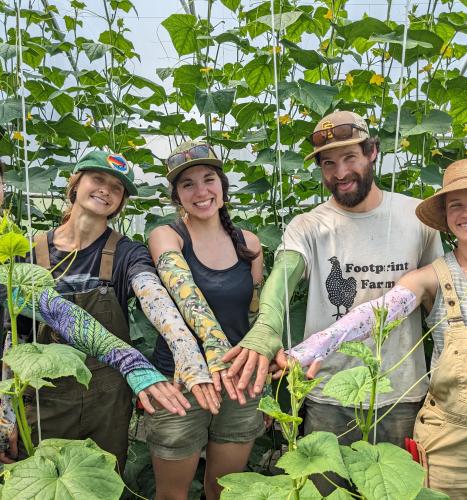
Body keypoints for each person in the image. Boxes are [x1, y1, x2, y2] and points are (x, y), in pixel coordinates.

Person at [223, 110, 443, 491]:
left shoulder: (417, 216)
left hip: (402, 393)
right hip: (328, 393)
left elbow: (438, 301)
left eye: (350, 158)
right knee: (325, 492)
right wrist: (267, 329)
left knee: (397, 493)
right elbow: (283, 276)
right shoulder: (309, 225)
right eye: (328, 163)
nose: (340, 173)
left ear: (373, 152)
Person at [290, 158, 467, 499]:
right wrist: (308, 351)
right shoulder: (432, 276)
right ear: (446, 216)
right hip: (452, 437)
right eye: (456, 205)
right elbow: (374, 314)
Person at [0, 150, 218, 471]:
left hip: (107, 404)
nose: (105, 190)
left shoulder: (126, 253)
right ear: (75, 184)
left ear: (121, 202)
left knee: (103, 481)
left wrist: (185, 349)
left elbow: (153, 295)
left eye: (116, 188)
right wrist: (5, 413)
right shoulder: (26, 250)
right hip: (44, 401)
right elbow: (11, 338)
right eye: (97, 179)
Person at [146, 141, 265, 500]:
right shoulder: (167, 236)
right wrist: (212, 351)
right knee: (172, 494)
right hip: (180, 381)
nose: (201, 191)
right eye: (187, 184)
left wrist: (261, 380)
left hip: (238, 381)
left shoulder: (250, 243)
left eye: (208, 179)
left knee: (224, 490)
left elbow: (255, 315)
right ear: (176, 197)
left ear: (223, 188)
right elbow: (183, 291)